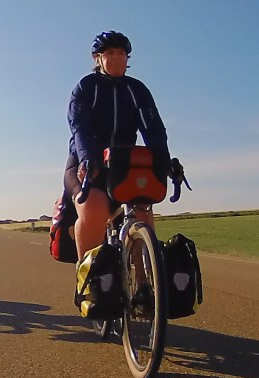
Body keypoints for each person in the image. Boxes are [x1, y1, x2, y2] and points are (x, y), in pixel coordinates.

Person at [64, 30, 179, 262]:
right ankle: (89, 276)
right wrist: (87, 159)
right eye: (109, 53)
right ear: (97, 58)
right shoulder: (86, 87)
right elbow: (80, 128)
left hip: (124, 165)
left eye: (121, 53)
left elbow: (153, 129)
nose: (116, 58)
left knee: (143, 211)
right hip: (86, 164)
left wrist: (163, 160)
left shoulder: (137, 90)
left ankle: (145, 278)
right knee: (95, 208)